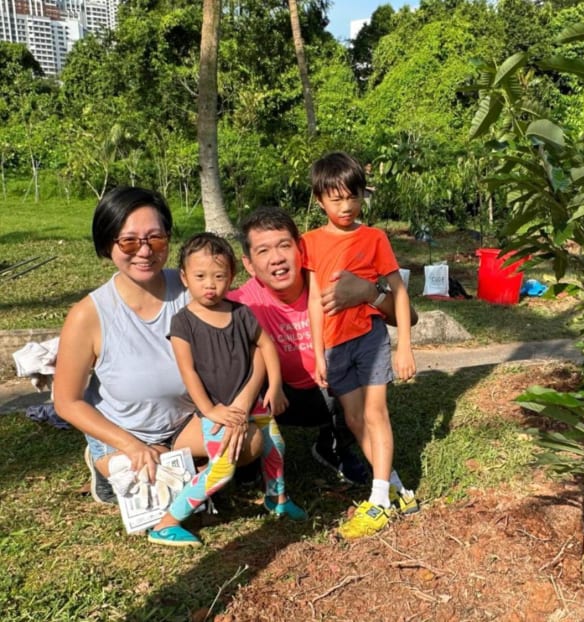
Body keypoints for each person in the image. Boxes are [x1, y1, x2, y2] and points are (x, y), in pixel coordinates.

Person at [53, 186, 264, 548]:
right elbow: (67, 401)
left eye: (155, 237)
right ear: (108, 244)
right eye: (129, 242)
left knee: (249, 443)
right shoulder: (87, 316)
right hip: (123, 433)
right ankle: (105, 467)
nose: (145, 251)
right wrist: (130, 445)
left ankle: (190, 469)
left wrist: (239, 407)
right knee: (164, 477)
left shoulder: (192, 285)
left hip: (184, 422)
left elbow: (246, 334)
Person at [229, 206, 420, 528]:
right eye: (263, 251)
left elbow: (409, 318)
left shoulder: (328, 280)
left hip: (330, 389)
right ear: (248, 264)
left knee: (356, 385)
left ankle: (336, 447)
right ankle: (249, 458)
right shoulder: (241, 302)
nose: (277, 258)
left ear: (301, 249)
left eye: (284, 245)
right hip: (279, 396)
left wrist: (369, 293)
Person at [152, 233, 306, 544]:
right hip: (219, 410)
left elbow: (266, 346)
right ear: (184, 277)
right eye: (200, 276)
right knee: (222, 469)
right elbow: (188, 371)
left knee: (275, 446)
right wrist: (209, 410)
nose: (210, 284)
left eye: (219, 276)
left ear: (231, 277)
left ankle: (276, 499)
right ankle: (166, 523)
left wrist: (275, 386)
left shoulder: (240, 313)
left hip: (256, 405)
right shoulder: (183, 323)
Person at [303, 151, 417, 539]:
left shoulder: (375, 238)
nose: (346, 206)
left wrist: (404, 346)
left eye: (352, 197)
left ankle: (380, 501)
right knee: (353, 419)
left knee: (375, 413)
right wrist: (317, 353)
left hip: (369, 337)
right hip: (334, 346)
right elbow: (314, 302)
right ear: (319, 200)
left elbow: (399, 292)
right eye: (336, 199)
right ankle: (398, 488)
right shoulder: (310, 242)